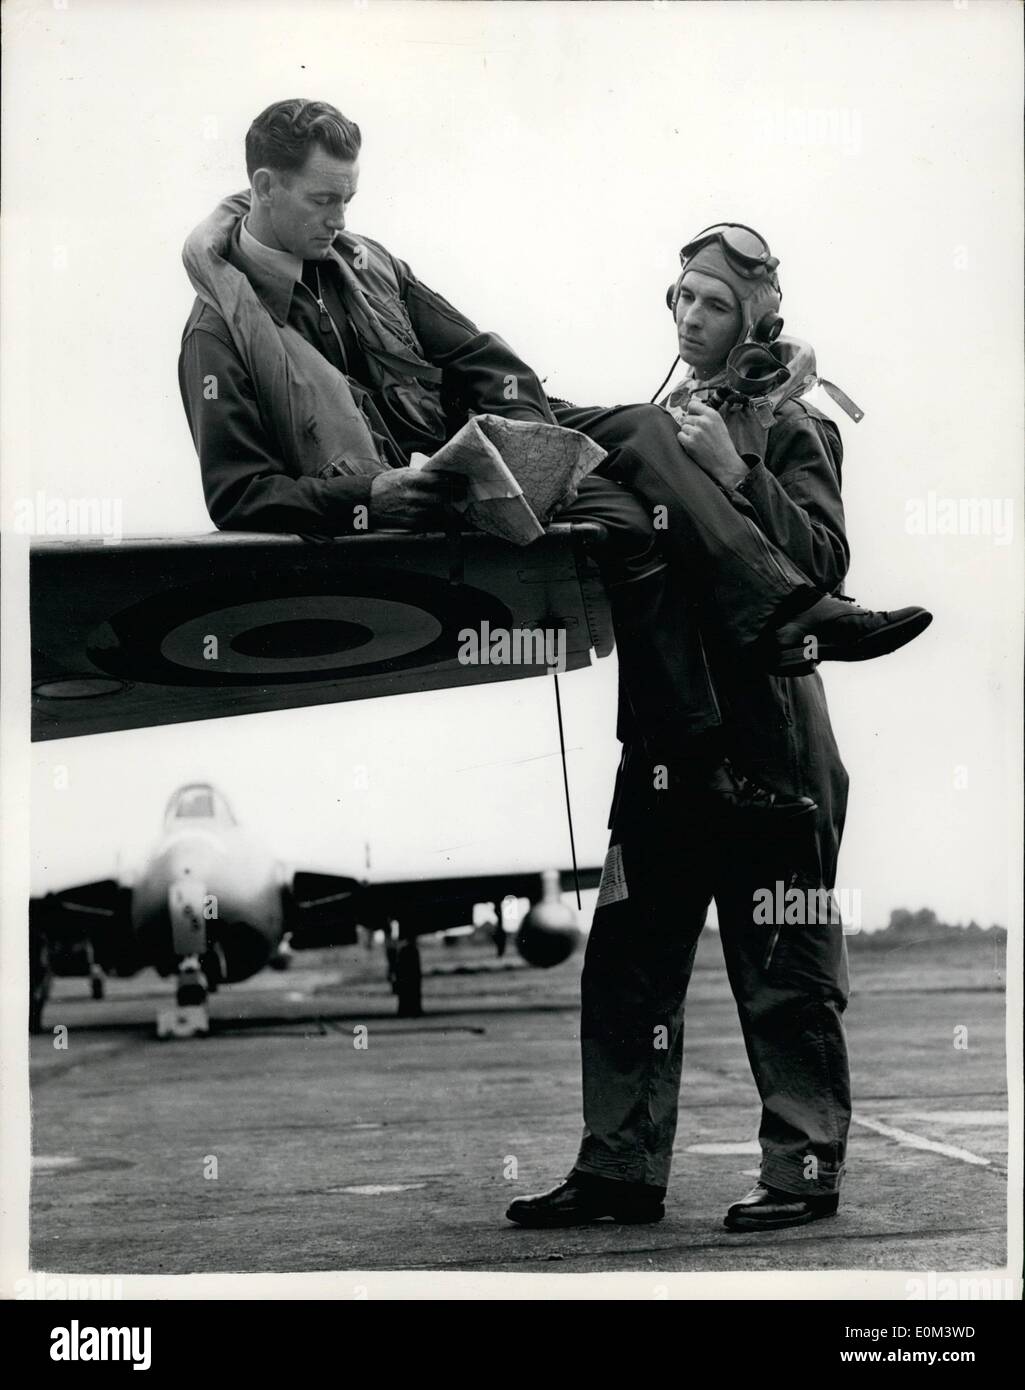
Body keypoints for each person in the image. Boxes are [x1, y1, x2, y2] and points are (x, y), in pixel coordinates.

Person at [179, 100, 929, 833]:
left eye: (348, 199)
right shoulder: (217, 337)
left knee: (640, 424)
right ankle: (748, 672)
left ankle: (764, 635)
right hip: (415, 494)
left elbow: (483, 359)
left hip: (500, 443)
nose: (341, 220)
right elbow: (240, 494)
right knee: (633, 521)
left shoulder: (368, 264)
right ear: (264, 187)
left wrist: (538, 445)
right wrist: (372, 494)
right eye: (323, 200)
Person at [506, 224, 906, 1231]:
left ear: (755, 319)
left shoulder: (792, 426)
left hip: (769, 733)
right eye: (679, 297)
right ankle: (618, 1167)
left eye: (712, 303)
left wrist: (735, 472)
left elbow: (817, 563)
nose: (688, 316)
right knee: (628, 959)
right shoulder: (649, 427)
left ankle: (801, 1168)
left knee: (783, 965)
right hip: (662, 747)